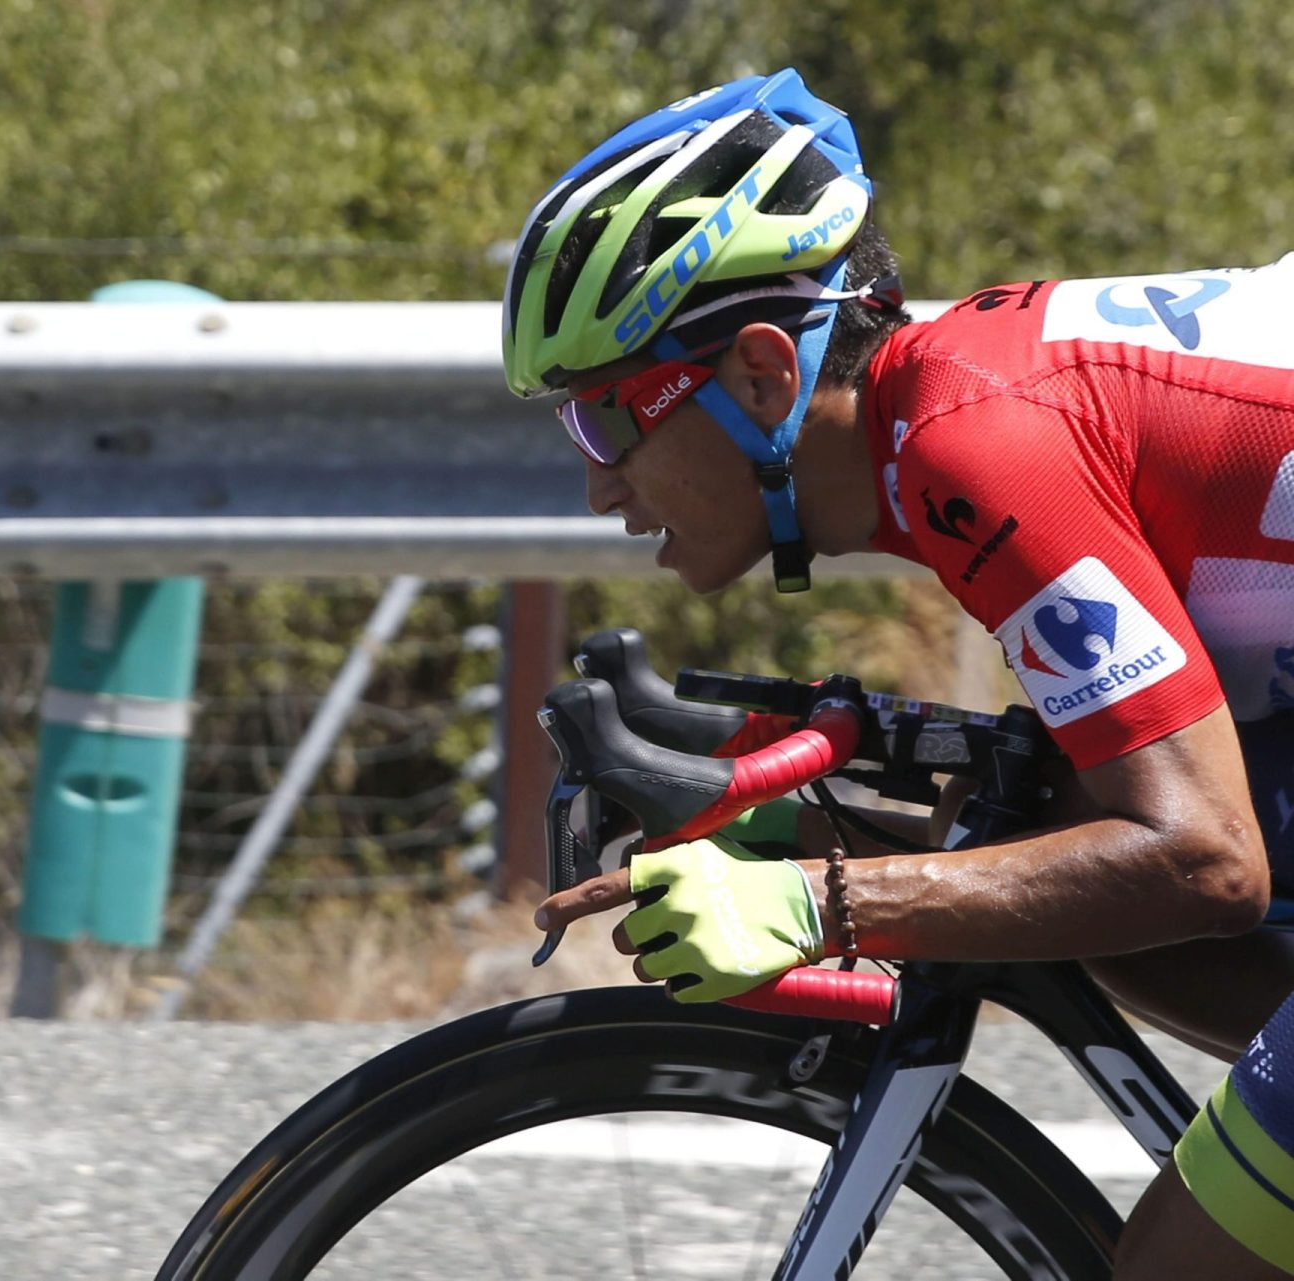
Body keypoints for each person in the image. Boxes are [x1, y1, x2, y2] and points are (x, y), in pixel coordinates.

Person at [506, 68, 1294, 1277]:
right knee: (1040, 839)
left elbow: (1202, 856)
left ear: (764, 374)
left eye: (606, 421)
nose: (598, 482)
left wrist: (823, 902)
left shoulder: (973, 443)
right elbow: (1103, 825)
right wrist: (849, 840)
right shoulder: (951, 419)